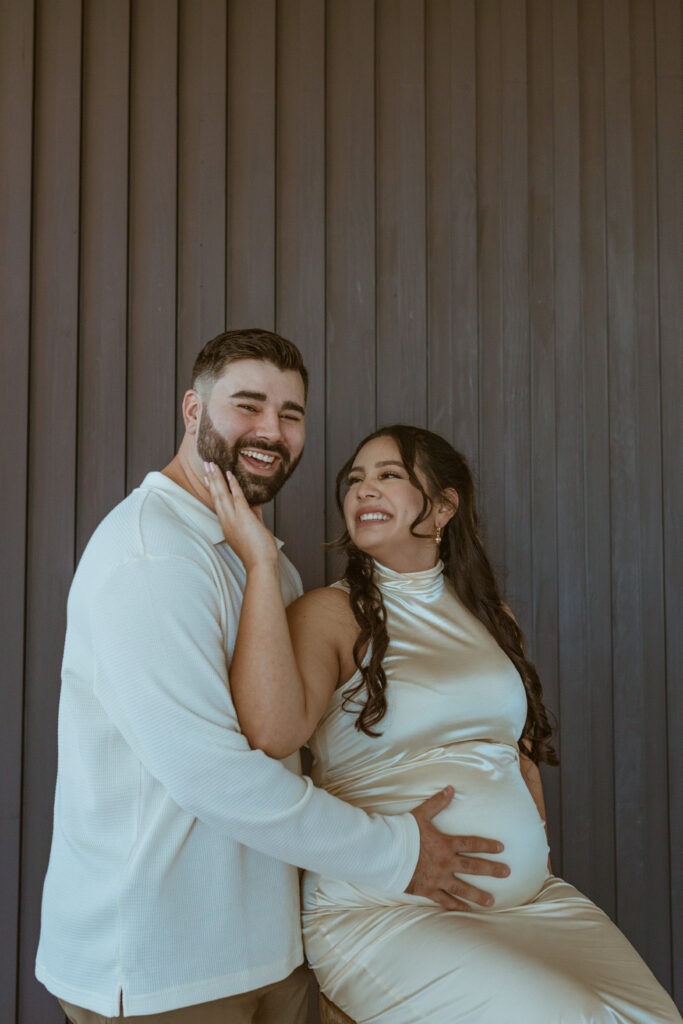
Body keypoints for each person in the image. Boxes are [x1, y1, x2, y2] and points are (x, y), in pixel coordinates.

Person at [35, 331, 511, 1024]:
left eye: (290, 414)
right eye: (248, 406)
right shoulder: (149, 557)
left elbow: (295, 745)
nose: (271, 431)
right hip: (161, 967)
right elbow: (214, 776)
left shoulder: (265, 563)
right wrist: (396, 852)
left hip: (268, 951)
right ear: (193, 411)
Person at [206, 422, 682, 1024]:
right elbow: (272, 734)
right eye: (355, 480)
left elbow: (518, 752)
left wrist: (534, 856)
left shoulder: (493, 616)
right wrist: (259, 563)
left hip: (531, 903)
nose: (364, 490)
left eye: (389, 476)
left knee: (650, 1015)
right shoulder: (330, 614)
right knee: (571, 1016)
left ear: (444, 505)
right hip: (387, 910)